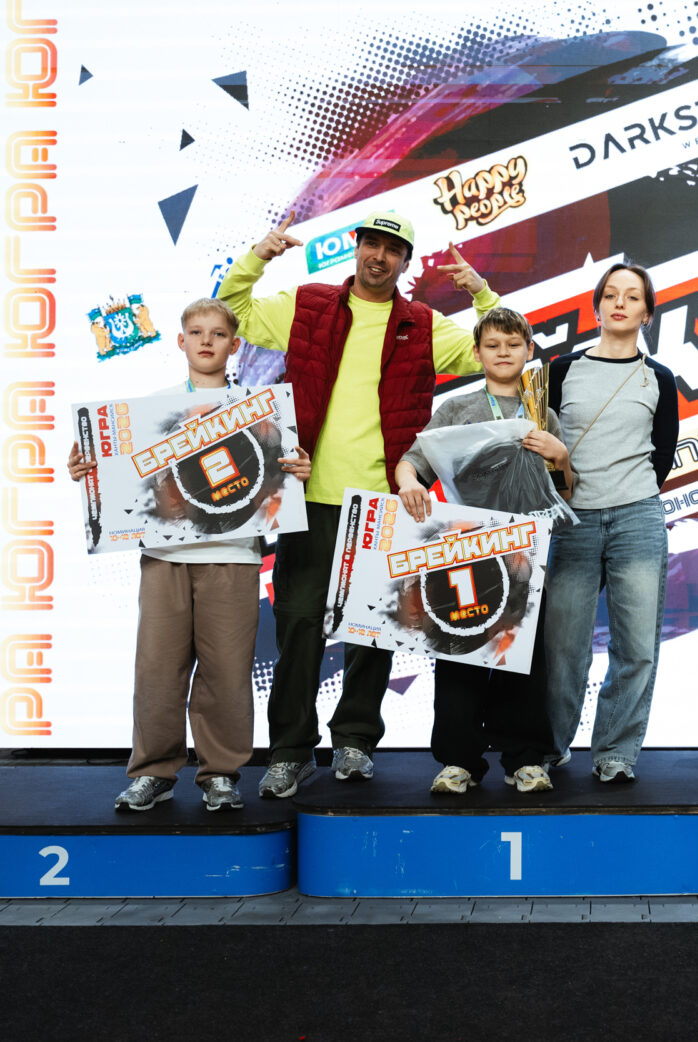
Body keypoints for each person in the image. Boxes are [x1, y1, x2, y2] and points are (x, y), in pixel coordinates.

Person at [219, 209, 499, 798]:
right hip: (309, 499)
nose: (379, 256)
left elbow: (497, 351)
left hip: (383, 503)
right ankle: (290, 752)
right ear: (357, 247)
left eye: (392, 249)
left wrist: (481, 293)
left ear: (405, 261)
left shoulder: (424, 324)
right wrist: (258, 256)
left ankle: (354, 742)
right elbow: (232, 311)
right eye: (371, 243)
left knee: (373, 631)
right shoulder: (308, 305)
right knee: (298, 627)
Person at [67, 298, 312, 812]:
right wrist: (88, 470)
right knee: (158, 669)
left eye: (218, 334)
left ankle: (220, 773)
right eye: (196, 332)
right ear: (180, 341)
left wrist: (297, 472)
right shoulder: (150, 409)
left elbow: (277, 484)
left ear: (234, 345)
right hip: (165, 556)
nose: (206, 341)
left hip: (234, 555)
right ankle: (153, 773)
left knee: (227, 672)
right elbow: (119, 483)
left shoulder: (262, 409)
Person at [393, 307, 572, 794]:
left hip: (526, 553)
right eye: (493, 345)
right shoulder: (456, 409)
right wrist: (408, 483)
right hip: (464, 550)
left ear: (529, 350)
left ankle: (526, 759)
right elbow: (412, 462)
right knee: (458, 652)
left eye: (513, 345)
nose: (503, 353)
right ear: (477, 353)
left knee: (524, 659)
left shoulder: (543, 413)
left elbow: (566, 494)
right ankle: (459, 762)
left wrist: (562, 458)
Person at [541, 263, 679, 782]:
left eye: (632, 296)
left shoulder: (659, 378)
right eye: (611, 295)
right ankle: (549, 748)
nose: (620, 303)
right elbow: (542, 445)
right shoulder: (561, 370)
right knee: (561, 649)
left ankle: (615, 753)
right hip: (573, 521)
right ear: (596, 307)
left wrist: (627, 494)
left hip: (638, 518)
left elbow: (661, 456)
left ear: (647, 313)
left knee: (636, 647)